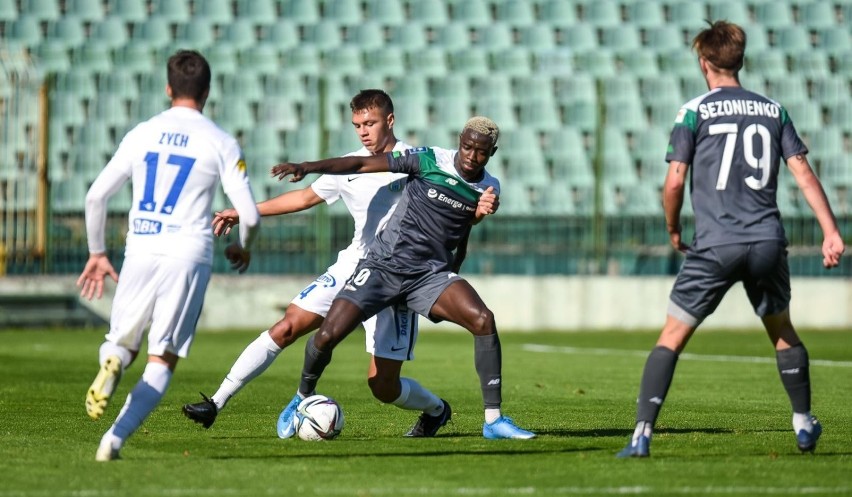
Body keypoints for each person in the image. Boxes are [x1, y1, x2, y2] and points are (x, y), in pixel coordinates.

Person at [616, 21, 845, 458]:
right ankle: (802, 422)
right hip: (766, 242)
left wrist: (673, 228)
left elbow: (674, 180)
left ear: (704, 62)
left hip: (716, 244)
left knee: (671, 337)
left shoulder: (693, 111)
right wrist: (830, 231)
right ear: (740, 60)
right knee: (782, 331)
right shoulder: (773, 110)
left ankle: (641, 434)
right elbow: (803, 173)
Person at [182, 89, 455, 439]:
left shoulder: (418, 161)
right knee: (288, 326)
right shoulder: (349, 164)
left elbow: (458, 182)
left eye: (370, 123)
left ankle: (436, 409)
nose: (363, 131)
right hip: (352, 267)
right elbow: (304, 197)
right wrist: (243, 212)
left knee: (382, 386)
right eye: (357, 125)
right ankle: (216, 403)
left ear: (389, 120)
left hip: (397, 279)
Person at [271, 116, 535, 440]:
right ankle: (300, 399)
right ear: (459, 141)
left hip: (428, 276)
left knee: (483, 319)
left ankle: (493, 421)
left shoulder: (489, 187)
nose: (471, 155)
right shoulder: (428, 160)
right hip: (383, 266)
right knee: (327, 336)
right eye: (466, 147)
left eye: (480, 152)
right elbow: (362, 163)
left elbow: (462, 223)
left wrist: (480, 214)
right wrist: (309, 166)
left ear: (491, 153)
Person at [77, 50, 261, 462]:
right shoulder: (220, 140)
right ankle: (113, 440)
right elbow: (248, 214)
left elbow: (95, 196)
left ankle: (111, 362)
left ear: (168, 88)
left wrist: (97, 253)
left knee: (121, 344)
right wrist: (243, 246)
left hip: (141, 246)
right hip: (188, 254)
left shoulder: (142, 132)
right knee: (162, 358)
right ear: (207, 92)